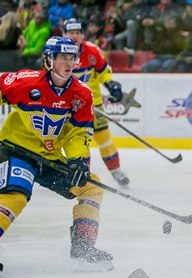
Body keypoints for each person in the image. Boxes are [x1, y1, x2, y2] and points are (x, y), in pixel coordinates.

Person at [0, 37, 113, 278]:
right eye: (62, 57)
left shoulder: (81, 95)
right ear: (48, 60)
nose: (68, 62)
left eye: (72, 57)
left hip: (49, 158)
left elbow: (79, 133)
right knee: (15, 197)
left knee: (91, 188)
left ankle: (83, 248)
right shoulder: (27, 81)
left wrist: (77, 161)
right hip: (17, 150)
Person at [63, 18, 130, 187]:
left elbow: (103, 71)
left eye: (78, 32)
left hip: (94, 106)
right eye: (71, 33)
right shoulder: (58, 54)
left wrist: (110, 83)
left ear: (82, 34)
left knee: (105, 140)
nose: (74, 36)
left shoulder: (92, 50)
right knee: (80, 143)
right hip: (70, 110)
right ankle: (83, 175)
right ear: (64, 34)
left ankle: (116, 172)